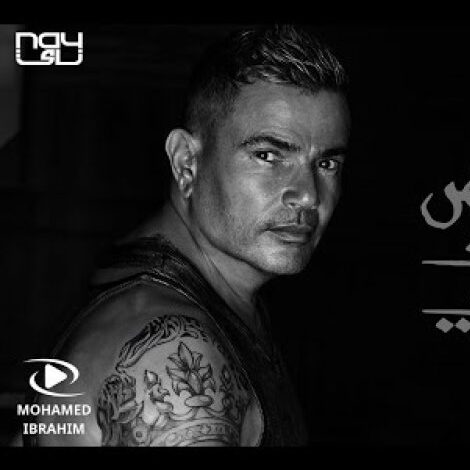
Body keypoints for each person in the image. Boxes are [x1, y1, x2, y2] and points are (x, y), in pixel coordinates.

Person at [24, 24, 350, 446]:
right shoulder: (173, 355)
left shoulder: (209, 298)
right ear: (186, 163)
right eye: (268, 155)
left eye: (327, 164)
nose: (308, 195)